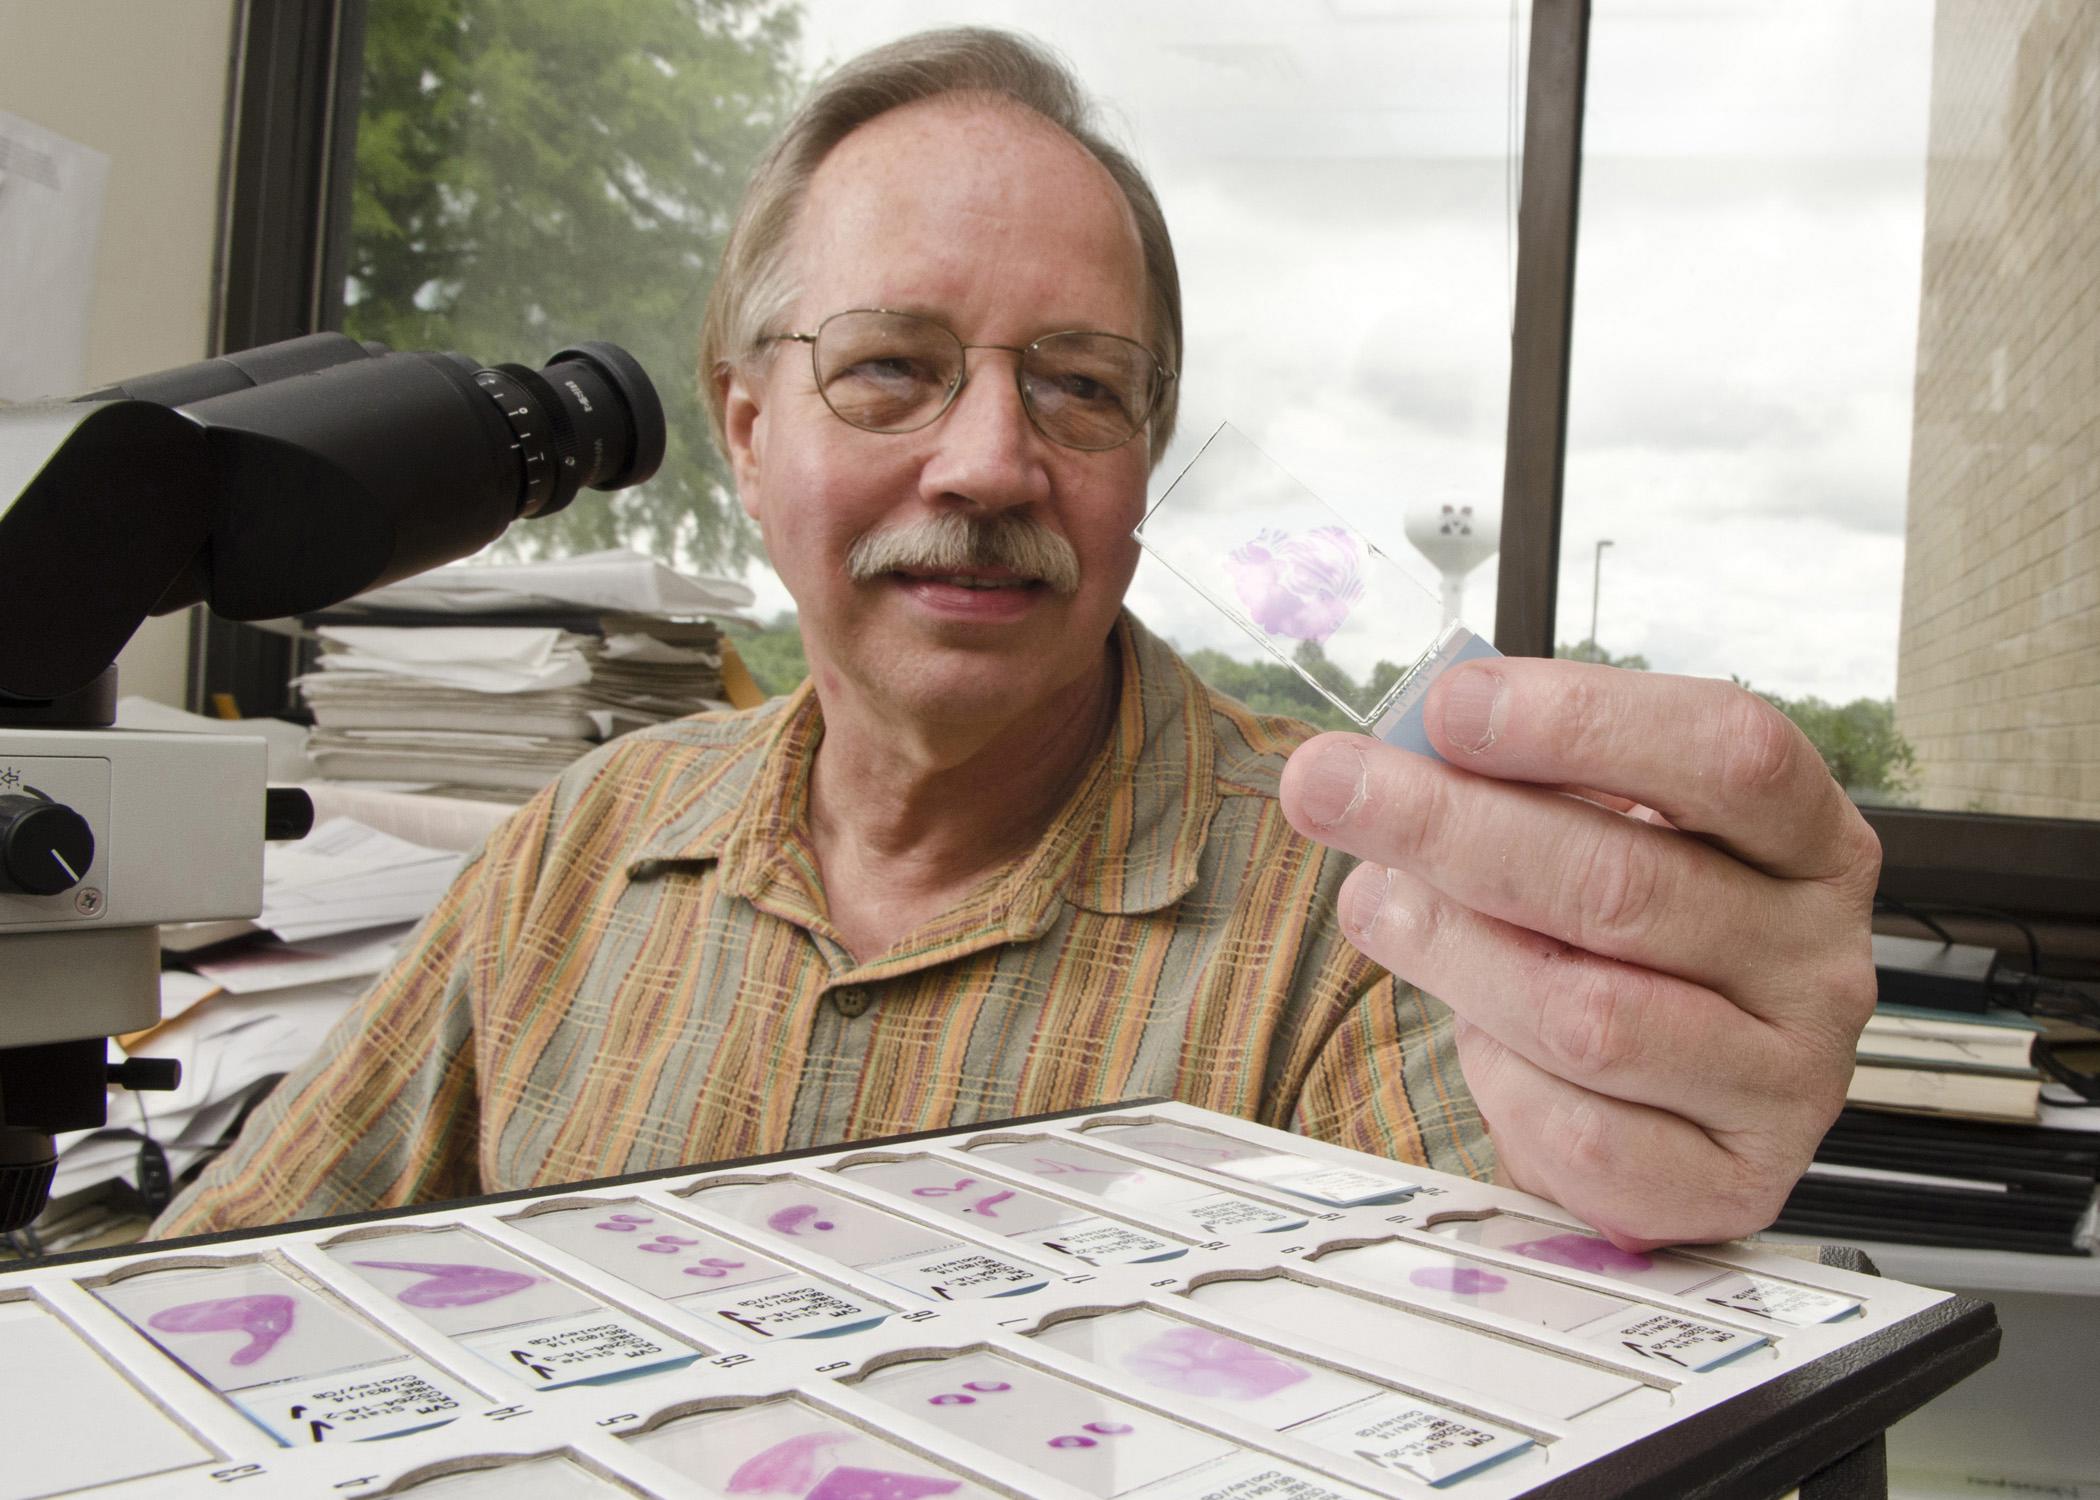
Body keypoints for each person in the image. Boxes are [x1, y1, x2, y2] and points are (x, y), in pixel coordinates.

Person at [154, 28, 1877, 1251]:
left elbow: (1518, 1362)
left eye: (1079, 385)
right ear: (748, 434)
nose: (990, 463)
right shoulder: (581, 848)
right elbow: (212, 1301)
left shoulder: (1371, 919)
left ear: (1147, 465)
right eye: (891, 367)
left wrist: (1654, 1127)